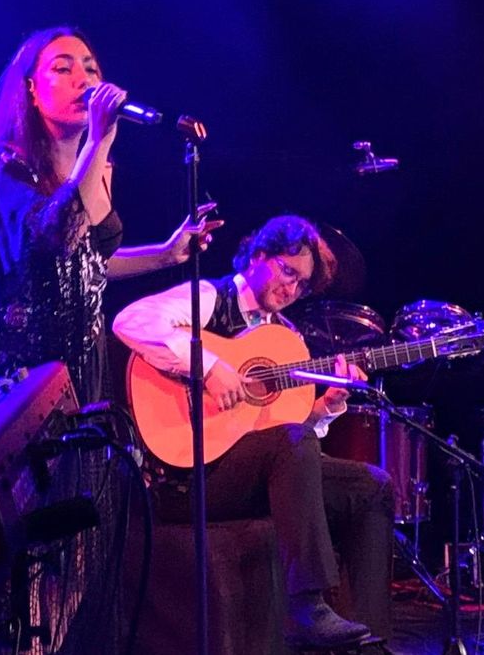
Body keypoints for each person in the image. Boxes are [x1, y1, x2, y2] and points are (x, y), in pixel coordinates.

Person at [113, 214, 393, 648]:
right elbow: (129, 321)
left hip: (246, 473)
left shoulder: (287, 340)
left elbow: (287, 436)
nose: (291, 289)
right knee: (293, 444)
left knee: (371, 485)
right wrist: (208, 367)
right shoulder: (210, 298)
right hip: (186, 478)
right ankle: (306, 608)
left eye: (301, 285)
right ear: (259, 255)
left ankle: (370, 640)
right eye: (287, 271)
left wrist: (324, 410)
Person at [0, 25, 221, 403]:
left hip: (83, 367)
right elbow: (57, 238)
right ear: (31, 90)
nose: (83, 80)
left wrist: (166, 254)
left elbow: (86, 265)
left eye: (91, 69)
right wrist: (99, 139)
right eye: (63, 69)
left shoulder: (95, 168)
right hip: (21, 379)